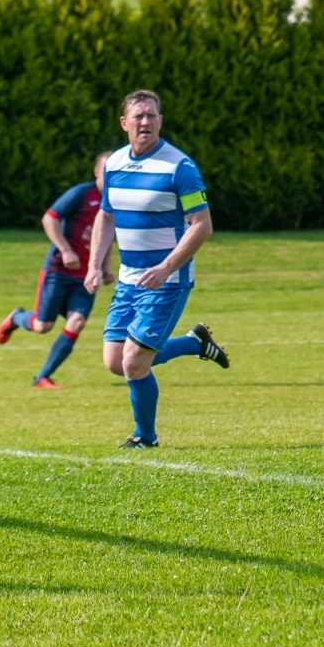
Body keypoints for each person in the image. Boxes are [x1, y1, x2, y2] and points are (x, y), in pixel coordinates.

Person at [85, 90, 230, 449]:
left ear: (160, 121)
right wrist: (95, 264)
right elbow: (106, 215)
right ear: (124, 124)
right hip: (128, 278)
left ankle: (144, 437)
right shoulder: (114, 165)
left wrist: (166, 268)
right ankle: (193, 344)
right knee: (115, 361)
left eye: (152, 115)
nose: (145, 122)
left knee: (135, 362)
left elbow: (202, 225)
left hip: (167, 279)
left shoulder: (179, 167)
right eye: (138, 116)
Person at [0, 151, 115, 387]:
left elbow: (107, 235)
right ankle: (15, 317)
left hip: (84, 277)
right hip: (58, 271)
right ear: (97, 172)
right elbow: (49, 218)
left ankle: (42, 376)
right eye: (107, 169)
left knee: (77, 321)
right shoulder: (82, 193)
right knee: (42, 326)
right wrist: (66, 250)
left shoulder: (117, 200)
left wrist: (105, 268)